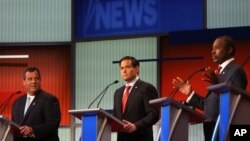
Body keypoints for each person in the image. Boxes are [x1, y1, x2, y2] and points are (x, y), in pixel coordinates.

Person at [172, 35, 248, 141]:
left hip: (223, 130)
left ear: (229, 50)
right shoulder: (219, 73)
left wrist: (218, 84)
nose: (212, 52)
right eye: (212, 48)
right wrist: (190, 94)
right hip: (211, 129)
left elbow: (236, 104)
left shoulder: (236, 71)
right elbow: (210, 105)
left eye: (217, 48)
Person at [113, 56, 159, 141]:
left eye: (127, 67)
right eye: (122, 68)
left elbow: (154, 114)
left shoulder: (146, 88)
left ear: (137, 69)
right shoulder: (118, 92)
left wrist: (136, 126)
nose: (124, 71)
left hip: (140, 138)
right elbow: (115, 117)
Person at [12, 67, 61, 141]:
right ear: (24, 82)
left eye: (36, 78)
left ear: (40, 80)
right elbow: (14, 126)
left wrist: (33, 130)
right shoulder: (17, 102)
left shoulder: (49, 99)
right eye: (30, 79)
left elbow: (53, 124)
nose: (33, 81)